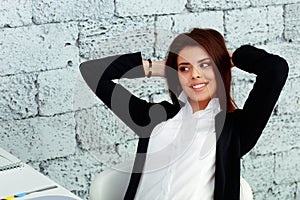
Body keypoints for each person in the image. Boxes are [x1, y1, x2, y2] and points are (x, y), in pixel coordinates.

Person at [79, 28, 289, 200]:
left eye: (205, 65)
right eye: (185, 68)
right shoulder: (154, 117)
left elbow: (276, 69)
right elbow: (92, 72)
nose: (195, 74)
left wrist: (230, 58)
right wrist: (157, 68)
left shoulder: (234, 130)